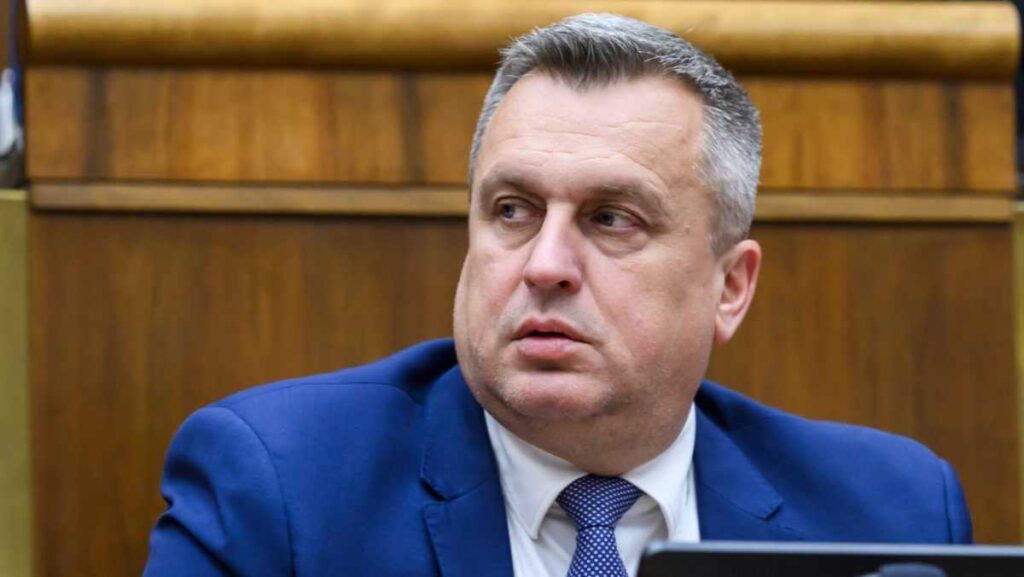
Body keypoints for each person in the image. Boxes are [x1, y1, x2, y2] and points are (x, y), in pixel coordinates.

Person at [143, 13, 972, 577]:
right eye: (513, 210)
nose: (545, 264)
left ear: (730, 287)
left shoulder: (892, 516)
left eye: (611, 219)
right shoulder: (279, 489)